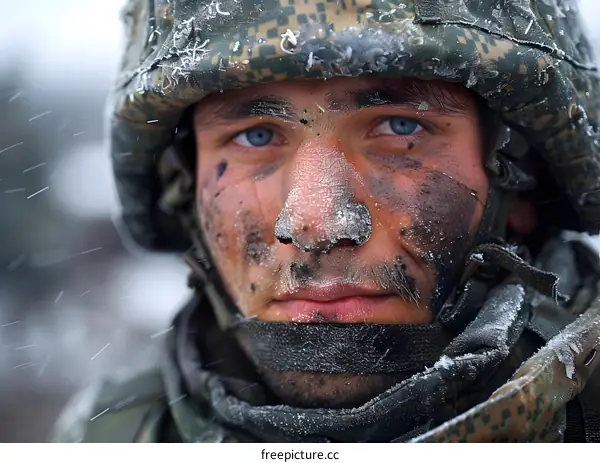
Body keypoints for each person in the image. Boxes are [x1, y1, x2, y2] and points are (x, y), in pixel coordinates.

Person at [52, 0, 600, 443]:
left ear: (520, 181)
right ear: (186, 193)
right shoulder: (112, 438)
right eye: (256, 136)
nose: (317, 223)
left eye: (399, 126)